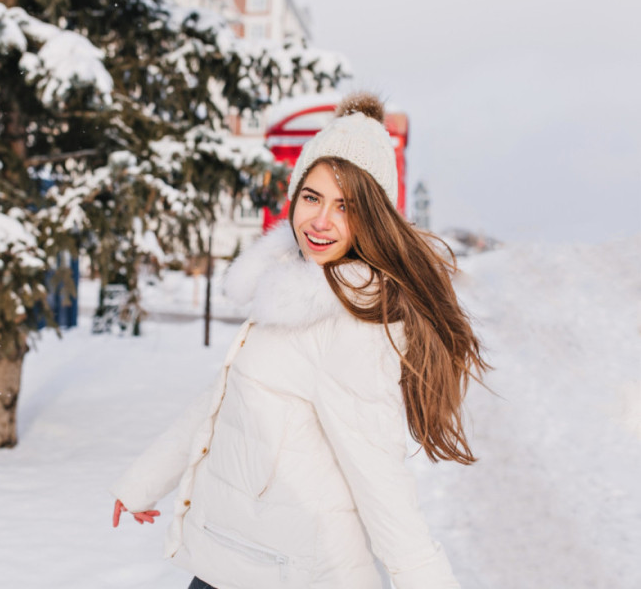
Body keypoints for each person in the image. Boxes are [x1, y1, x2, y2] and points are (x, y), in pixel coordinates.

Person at [109, 92, 487, 589]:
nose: (320, 221)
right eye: (312, 197)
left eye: (345, 206)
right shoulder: (292, 288)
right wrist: (144, 482)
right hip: (232, 560)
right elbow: (224, 402)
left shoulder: (351, 320)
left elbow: (379, 478)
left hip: (289, 573)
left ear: (373, 217)